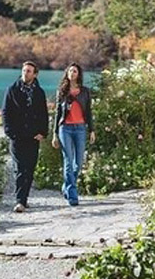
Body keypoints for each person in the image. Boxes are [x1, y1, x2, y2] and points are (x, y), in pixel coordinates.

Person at [2, 61, 49, 213]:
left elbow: (44, 114)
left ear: (35, 74)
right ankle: (20, 201)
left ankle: (24, 197)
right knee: (20, 167)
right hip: (17, 136)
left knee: (30, 168)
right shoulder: (12, 90)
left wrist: (43, 132)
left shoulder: (39, 92)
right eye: (24, 70)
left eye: (29, 71)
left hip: (33, 136)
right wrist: (10, 132)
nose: (25, 73)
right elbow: (5, 112)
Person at [51, 62, 95, 206]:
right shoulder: (62, 91)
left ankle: (66, 186)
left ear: (78, 74)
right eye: (70, 71)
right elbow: (57, 113)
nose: (72, 73)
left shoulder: (85, 92)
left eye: (75, 71)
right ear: (67, 74)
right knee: (68, 161)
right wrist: (55, 134)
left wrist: (92, 130)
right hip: (65, 129)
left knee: (78, 162)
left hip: (81, 128)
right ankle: (72, 193)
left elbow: (88, 112)